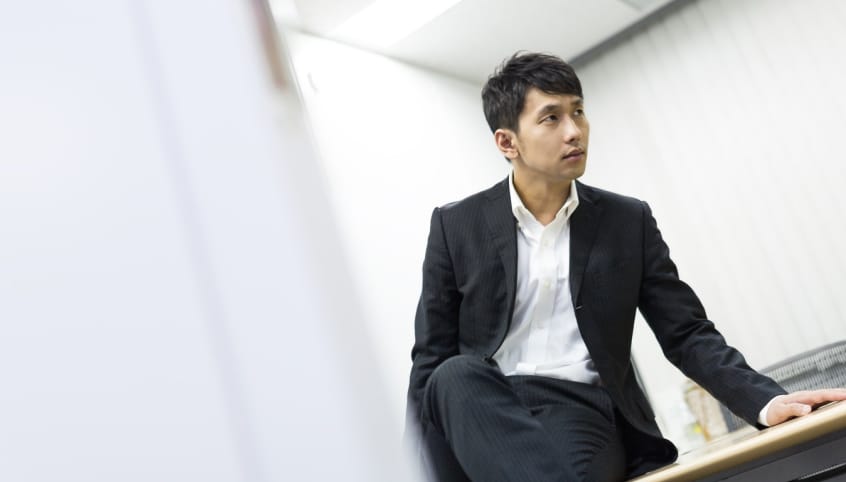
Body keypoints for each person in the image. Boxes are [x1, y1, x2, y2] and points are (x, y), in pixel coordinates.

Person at [405, 51, 846, 482]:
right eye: (551, 118)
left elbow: (685, 333)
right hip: (483, 410)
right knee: (452, 374)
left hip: (579, 409)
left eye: (578, 112)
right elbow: (430, 357)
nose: (574, 131)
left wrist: (764, 402)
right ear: (507, 142)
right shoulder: (455, 226)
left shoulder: (626, 221)